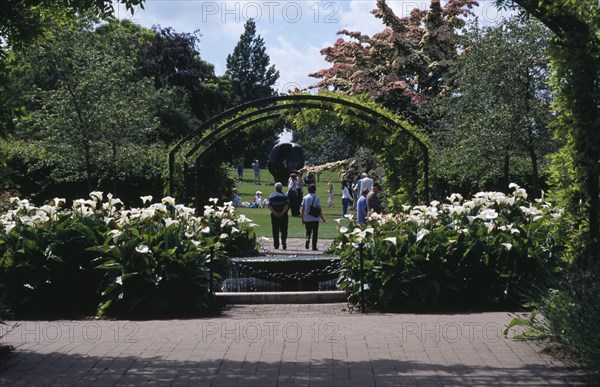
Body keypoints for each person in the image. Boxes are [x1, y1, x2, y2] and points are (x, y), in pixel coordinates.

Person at [301, 184, 326, 250]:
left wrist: (302, 218)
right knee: (315, 233)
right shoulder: (317, 197)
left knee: (308, 232)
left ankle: (307, 241)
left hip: (307, 218)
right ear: (315, 190)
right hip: (315, 218)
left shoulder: (305, 197)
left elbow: (302, 208)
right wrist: (322, 218)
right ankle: (314, 246)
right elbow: (319, 208)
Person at [268, 182, 290, 250]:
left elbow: (270, 206)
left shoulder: (271, 196)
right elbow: (287, 205)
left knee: (275, 230)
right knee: (284, 230)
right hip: (283, 215)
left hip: (274, 215)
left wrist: (275, 212)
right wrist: (282, 212)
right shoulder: (285, 196)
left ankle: (276, 244)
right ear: (281, 188)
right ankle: (284, 242)